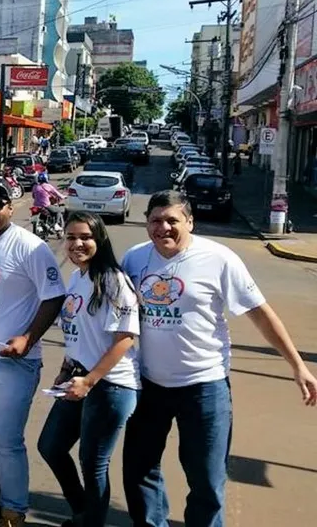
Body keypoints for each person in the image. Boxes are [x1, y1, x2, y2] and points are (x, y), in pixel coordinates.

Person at [121, 190, 317, 527]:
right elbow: (114, 316)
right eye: (155, 220)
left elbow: (260, 314)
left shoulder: (218, 258)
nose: (163, 228)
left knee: (207, 482)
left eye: (172, 220)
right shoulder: (134, 259)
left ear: (190, 222)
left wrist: (297, 365)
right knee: (139, 470)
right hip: (149, 385)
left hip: (204, 388)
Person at [0, 178, 66, 527]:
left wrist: (29, 338)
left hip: (13, 360)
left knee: (6, 438)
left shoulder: (31, 247)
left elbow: (54, 295)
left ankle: (13, 513)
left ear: (11, 207)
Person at [37, 212, 140, 527]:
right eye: (70, 237)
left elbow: (125, 338)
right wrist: (67, 366)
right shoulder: (77, 277)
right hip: (79, 377)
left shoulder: (112, 279)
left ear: (100, 240)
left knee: (93, 463)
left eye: (85, 237)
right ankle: (85, 512)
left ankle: (90, 522)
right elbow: (81, 331)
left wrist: (91, 380)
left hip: (110, 385)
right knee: (50, 447)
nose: (77, 244)